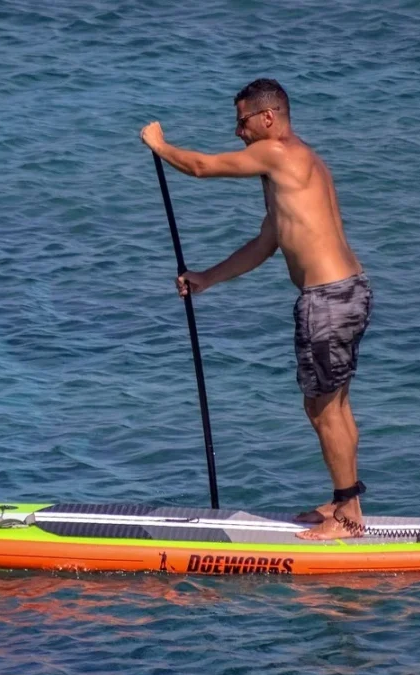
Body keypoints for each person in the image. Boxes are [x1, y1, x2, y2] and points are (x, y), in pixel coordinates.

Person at [140, 78, 373, 540]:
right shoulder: (296, 167)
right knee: (329, 404)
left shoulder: (280, 152)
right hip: (347, 291)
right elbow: (267, 243)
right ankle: (346, 499)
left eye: (242, 121)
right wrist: (208, 277)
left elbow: (204, 168)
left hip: (326, 299)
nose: (237, 132)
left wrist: (160, 145)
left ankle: (348, 517)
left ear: (269, 117)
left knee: (326, 408)